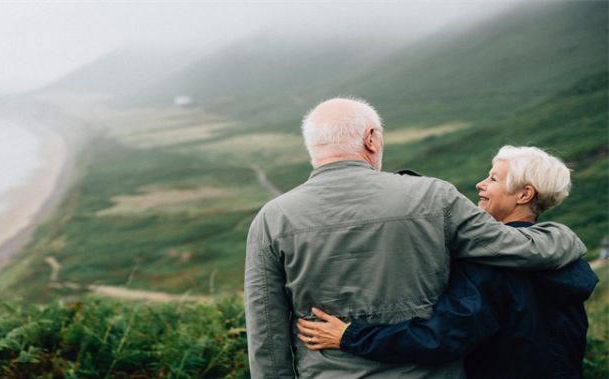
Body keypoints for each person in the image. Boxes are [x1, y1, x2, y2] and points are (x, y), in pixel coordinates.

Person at [244, 98, 586, 379]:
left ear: (312, 148)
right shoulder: (434, 198)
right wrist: (564, 237)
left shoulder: (271, 219)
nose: (483, 184)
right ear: (372, 139)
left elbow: (267, 336)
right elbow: (518, 247)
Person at [296, 146, 598, 378]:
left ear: (524, 194)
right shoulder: (566, 260)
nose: (480, 184)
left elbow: (441, 338)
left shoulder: (490, 265)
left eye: (493, 178)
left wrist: (350, 336)